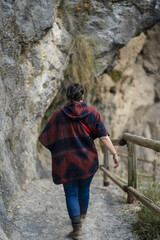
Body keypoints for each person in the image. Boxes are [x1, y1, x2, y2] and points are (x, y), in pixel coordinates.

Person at [38, 83, 119, 240]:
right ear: (83, 96)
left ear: (68, 96)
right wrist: (114, 153)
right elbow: (103, 136)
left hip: (65, 162)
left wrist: (61, 148)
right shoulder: (92, 113)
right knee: (84, 190)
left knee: (70, 193)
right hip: (86, 162)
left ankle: (77, 229)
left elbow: (46, 138)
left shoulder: (58, 115)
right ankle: (81, 218)